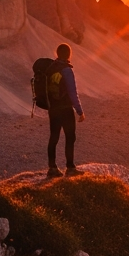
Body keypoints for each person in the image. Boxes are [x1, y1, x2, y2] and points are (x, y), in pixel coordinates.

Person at [46, 43, 86, 178]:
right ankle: (70, 168)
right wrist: (79, 111)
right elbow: (72, 93)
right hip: (65, 109)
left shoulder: (50, 68)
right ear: (69, 54)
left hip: (53, 109)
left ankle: (52, 168)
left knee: (54, 137)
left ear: (57, 53)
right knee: (70, 137)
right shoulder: (67, 70)